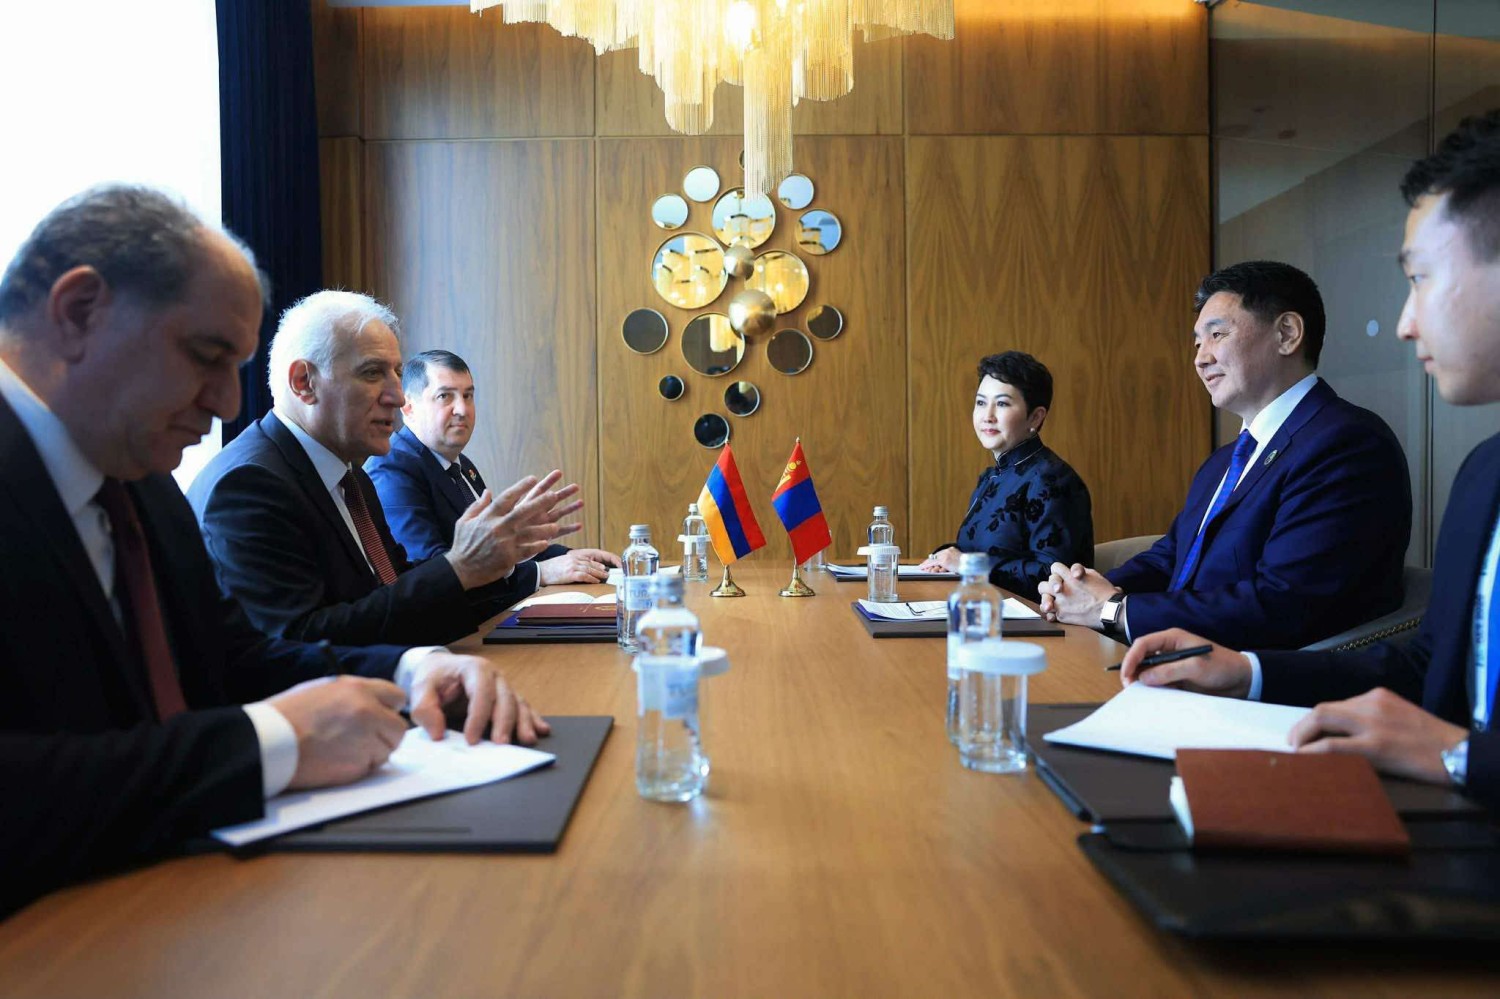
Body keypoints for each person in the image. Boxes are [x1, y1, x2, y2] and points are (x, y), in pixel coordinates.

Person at [0, 186, 547, 914]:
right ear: (78, 313)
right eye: (205, 356)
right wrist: (272, 740)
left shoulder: (141, 481)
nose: (228, 403)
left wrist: (414, 667)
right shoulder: (179, 471)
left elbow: (237, 657)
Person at [1118, 109, 1500, 810]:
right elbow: (1429, 668)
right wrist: (1247, 674)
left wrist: (1459, 757)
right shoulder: (1485, 476)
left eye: (1421, 278)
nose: (1406, 321)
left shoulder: (1347, 444)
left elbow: (1288, 604)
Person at [1039, 261, 1412, 649]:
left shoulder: (1346, 444)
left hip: (1254, 676)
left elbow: (1283, 604)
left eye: (1216, 335)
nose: (1200, 358)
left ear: (1287, 334)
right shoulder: (1224, 461)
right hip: (1175, 655)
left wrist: (1115, 611)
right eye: (1197, 343)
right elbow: (1171, 557)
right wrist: (1084, 590)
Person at [188, 292, 584, 647]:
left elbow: (393, 593)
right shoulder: (249, 485)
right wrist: (461, 568)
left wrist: (496, 568)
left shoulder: (352, 477)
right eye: (373, 373)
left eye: (396, 372)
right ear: (304, 382)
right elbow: (299, 643)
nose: (396, 396)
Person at [365, 349, 619, 589]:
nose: (462, 409)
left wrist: (569, 557)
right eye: (445, 396)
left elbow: (494, 551)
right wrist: (541, 573)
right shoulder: (392, 468)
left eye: (468, 396)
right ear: (408, 407)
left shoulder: (461, 466)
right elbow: (432, 571)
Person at [917, 351, 1093, 600]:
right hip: (983, 606)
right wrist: (945, 557)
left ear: (1035, 417)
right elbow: (978, 551)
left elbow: (1055, 577)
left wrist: (966, 564)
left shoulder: (1052, 479)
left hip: (1039, 619)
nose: (987, 416)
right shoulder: (991, 477)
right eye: (981, 403)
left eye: (1002, 404)